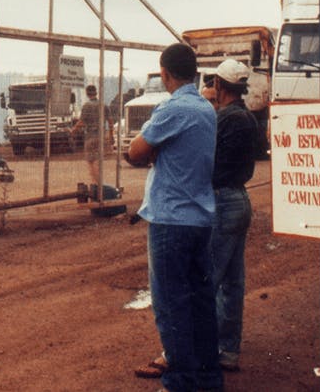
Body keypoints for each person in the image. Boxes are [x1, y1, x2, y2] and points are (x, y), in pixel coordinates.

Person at [125, 43, 221, 392]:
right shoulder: (206, 109)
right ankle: (209, 379)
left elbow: (136, 151)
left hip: (170, 219)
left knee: (171, 305)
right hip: (200, 218)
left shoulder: (172, 109)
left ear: (165, 73)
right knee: (200, 301)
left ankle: (181, 382)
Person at [205, 59, 259, 373]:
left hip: (221, 200)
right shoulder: (248, 119)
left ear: (219, 86)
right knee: (233, 282)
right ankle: (229, 351)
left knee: (210, 278)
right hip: (240, 198)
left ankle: (206, 351)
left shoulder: (222, 119)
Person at [74, 84, 108, 188]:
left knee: (91, 162)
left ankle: (96, 185)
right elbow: (110, 121)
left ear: (87, 93)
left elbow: (81, 122)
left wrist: (73, 130)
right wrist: (110, 136)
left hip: (90, 137)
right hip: (101, 136)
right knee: (98, 161)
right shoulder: (104, 105)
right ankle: (100, 184)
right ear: (96, 92)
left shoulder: (86, 106)